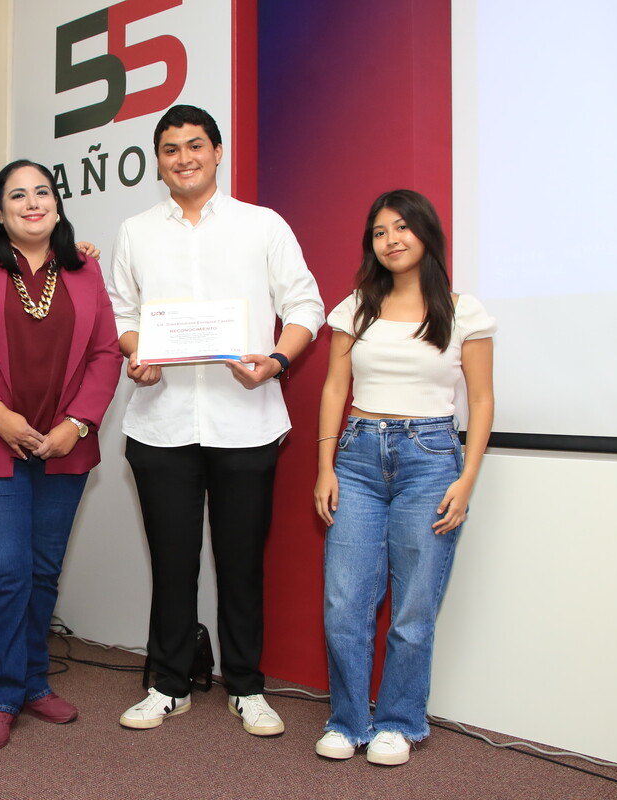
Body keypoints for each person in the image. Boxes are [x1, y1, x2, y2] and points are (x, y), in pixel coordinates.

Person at [107, 105, 325, 735]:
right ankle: (167, 684)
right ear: (158, 161)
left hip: (246, 421)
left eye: (195, 145)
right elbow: (121, 312)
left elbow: (305, 304)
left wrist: (277, 361)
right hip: (161, 422)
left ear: (218, 151)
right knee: (172, 564)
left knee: (241, 563)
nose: (184, 158)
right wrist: (137, 354)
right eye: (170, 149)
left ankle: (247, 687)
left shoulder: (262, 225)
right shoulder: (136, 231)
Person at [0, 160, 122, 750]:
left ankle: (34, 682)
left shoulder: (85, 267)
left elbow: (106, 353)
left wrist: (77, 423)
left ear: (58, 205)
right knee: (4, 570)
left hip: (63, 445)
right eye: (17, 195)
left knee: (42, 570)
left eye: (42, 192)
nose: (32, 202)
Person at [312, 189, 495, 766]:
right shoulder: (355, 307)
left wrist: (467, 478)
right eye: (379, 232)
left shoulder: (464, 312)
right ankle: (348, 721)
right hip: (357, 456)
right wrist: (324, 467)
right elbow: (335, 388)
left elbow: (482, 401)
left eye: (401, 228)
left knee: (415, 606)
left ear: (425, 234)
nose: (390, 240)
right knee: (345, 603)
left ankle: (399, 721)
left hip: (431, 458)